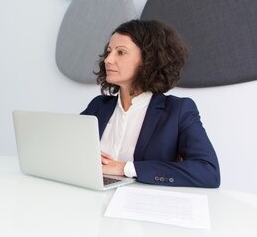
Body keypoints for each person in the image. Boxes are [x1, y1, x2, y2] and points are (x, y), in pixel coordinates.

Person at [81, 19, 220, 188]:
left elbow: (208, 172)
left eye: (121, 52)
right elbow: (65, 149)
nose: (108, 60)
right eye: (109, 51)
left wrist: (125, 168)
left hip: (142, 206)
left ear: (148, 59)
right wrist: (85, 158)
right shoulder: (98, 106)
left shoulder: (178, 111)